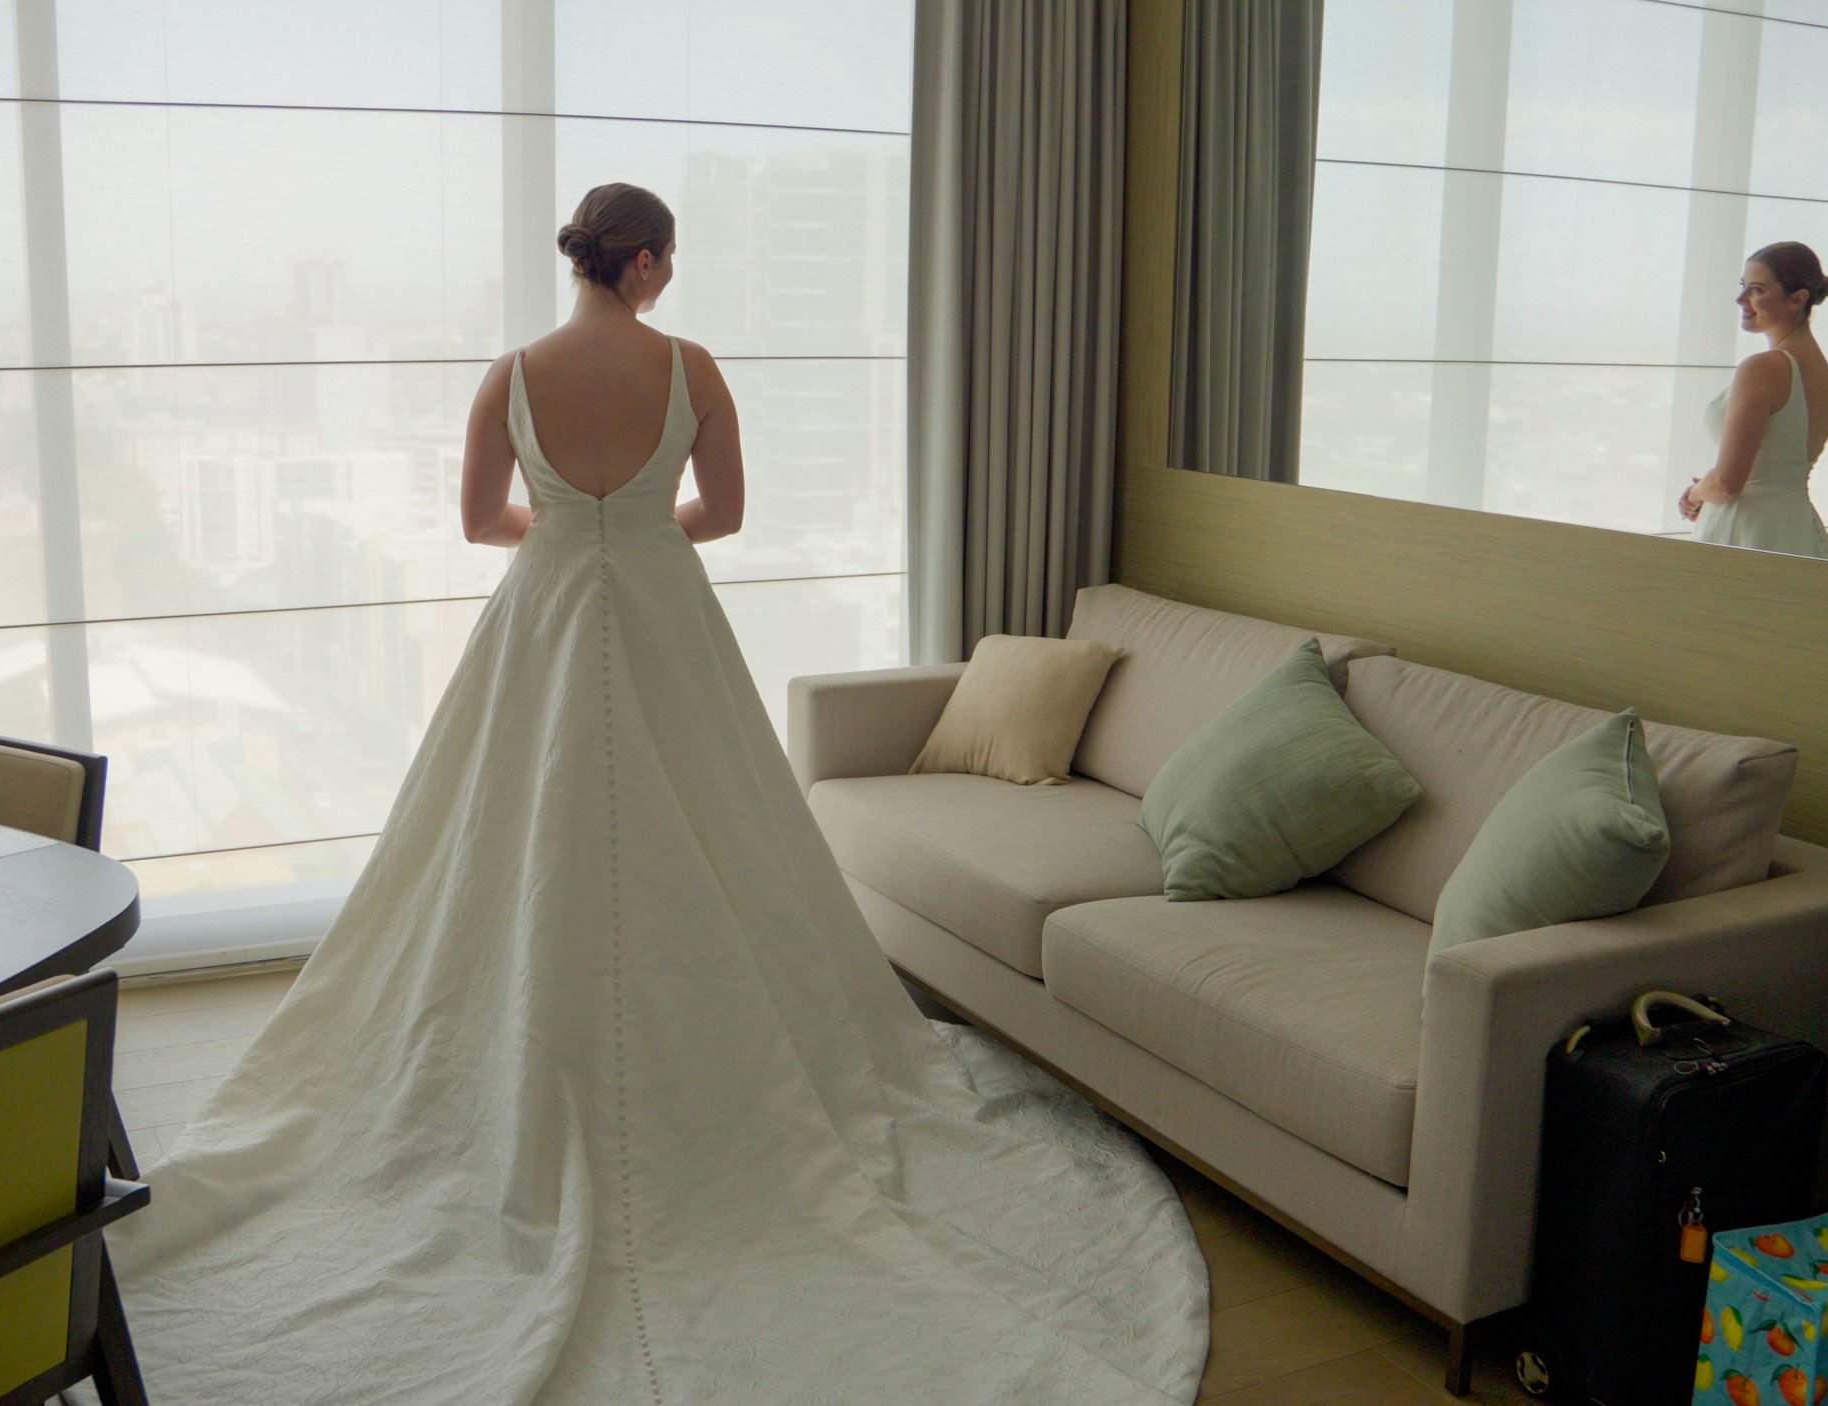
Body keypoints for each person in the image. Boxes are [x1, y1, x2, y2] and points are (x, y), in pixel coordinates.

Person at [108, 182, 1209, 1405]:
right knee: (717, 818)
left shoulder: (509, 375)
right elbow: (723, 512)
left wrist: (565, 527)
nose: (671, 277)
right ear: (637, 262)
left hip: (540, 613)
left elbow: (482, 521)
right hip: (661, 604)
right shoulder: (691, 369)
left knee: (506, 833)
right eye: (668, 258)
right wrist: (632, 525)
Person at [1677, 241, 1828, 561]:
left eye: (1757, 290)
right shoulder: (1819, 367)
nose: (1741, 299)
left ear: (1798, 299)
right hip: (1795, 528)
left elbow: (1728, 484)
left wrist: (1696, 494)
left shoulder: (1764, 367)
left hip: (1746, 532)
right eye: (1743, 286)